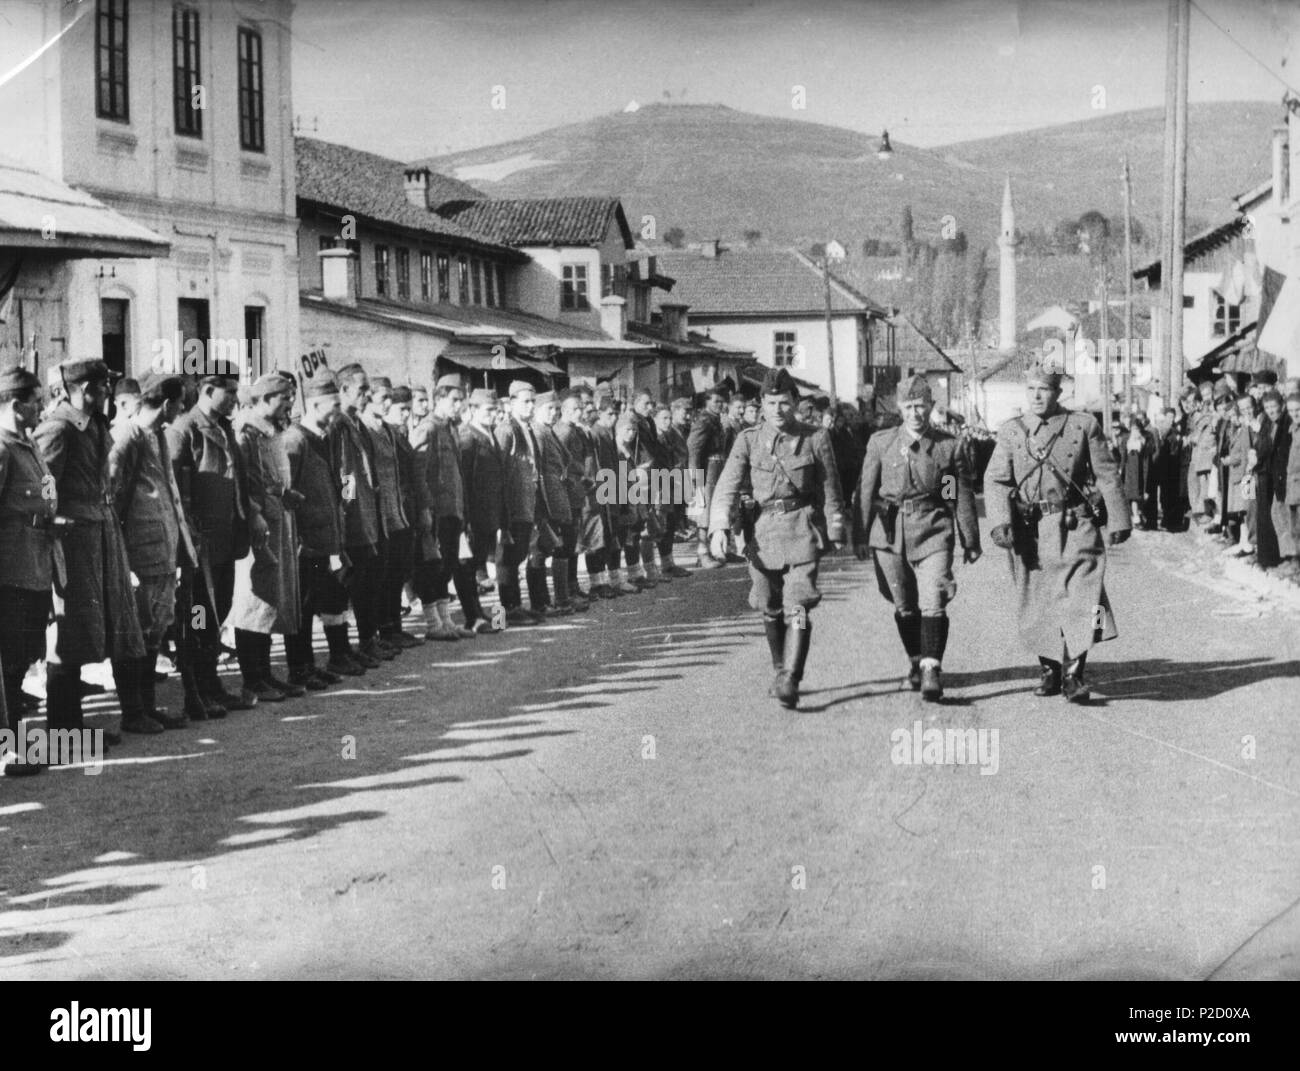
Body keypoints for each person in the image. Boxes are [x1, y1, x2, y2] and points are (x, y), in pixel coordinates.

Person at [983, 364, 1130, 703]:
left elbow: (1106, 474)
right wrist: (999, 521)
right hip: (1030, 531)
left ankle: (1074, 674)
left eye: (1044, 389)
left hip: (1075, 525)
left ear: (1058, 392)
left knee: (1083, 596)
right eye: (1031, 389)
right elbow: (995, 480)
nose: (1036, 396)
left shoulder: (1083, 426)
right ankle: (1050, 667)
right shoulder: (1011, 432)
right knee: (1037, 602)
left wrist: (1119, 520)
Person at [708, 367, 846, 709]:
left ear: (795, 402)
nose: (777, 410)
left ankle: (790, 677)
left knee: (798, 603)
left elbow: (831, 488)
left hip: (801, 527)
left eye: (784, 403)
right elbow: (727, 484)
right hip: (761, 532)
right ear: (763, 404)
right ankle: (779, 667)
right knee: (768, 604)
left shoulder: (815, 438)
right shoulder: (748, 439)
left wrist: (837, 526)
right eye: (770, 403)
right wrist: (719, 527)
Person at [35, 358, 147, 743]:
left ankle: (75, 726)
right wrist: (54, 516)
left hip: (100, 534)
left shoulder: (94, 425)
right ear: (83, 390)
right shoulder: (60, 428)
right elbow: (44, 481)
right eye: (101, 388)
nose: (106, 394)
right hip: (73, 539)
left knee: (95, 628)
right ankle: (62, 733)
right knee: (70, 631)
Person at [853, 374, 980, 700]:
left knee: (933, 599)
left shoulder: (946, 447)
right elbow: (866, 491)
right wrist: (860, 534)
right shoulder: (881, 443)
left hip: (933, 529)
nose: (915, 414)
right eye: (909, 407)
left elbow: (954, 493)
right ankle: (915, 660)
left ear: (931, 407)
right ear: (899, 408)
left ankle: (931, 668)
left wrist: (968, 536)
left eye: (921, 407)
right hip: (889, 533)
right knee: (904, 604)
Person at [108, 371, 193, 729]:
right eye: (179, 402)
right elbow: (113, 498)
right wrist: (121, 557)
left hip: (162, 549)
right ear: (168, 403)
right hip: (139, 552)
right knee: (136, 631)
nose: (182, 408)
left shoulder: (156, 435)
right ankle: (133, 712)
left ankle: (146, 706)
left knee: (156, 628)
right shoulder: (128, 436)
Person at [167, 365, 253, 716]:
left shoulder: (224, 427)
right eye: (228, 391)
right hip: (199, 545)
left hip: (225, 538)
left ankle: (211, 681)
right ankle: (201, 687)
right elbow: (176, 490)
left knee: (217, 612)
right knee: (200, 614)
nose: (235, 397)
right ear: (207, 390)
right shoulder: (185, 429)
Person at [228, 374, 304, 702]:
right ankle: (252, 679)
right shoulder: (247, 432)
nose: (289, 403)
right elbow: (242, 482)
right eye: (284, 397)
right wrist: (257, 510)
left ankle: (266, 674)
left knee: (274, 597)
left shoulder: (272, 430)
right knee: (255, 600)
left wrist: (286, 493)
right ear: (266, 398)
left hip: (279, 517)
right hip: (259, 524)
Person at [283, 373, 359, 685]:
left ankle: (329, 659)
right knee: (302, 607)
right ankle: (299, 669)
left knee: (331, 595)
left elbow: (339, 484)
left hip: (327, 537)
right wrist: (299, 538)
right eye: (334, 405)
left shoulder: (326, 438)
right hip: (305, 541)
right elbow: (287, 492)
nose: (339, 411)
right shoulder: (295, 440)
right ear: (314, 404)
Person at [0, 368, 57, 775]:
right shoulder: (3, 448)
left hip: (35, 562)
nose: (42, 406)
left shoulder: (28, 444)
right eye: (36, 401)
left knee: (21, 658)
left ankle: (16, 741)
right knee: (9, 660)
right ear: (16, 404)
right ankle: (8, 748)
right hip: (11, 569)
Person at [329, 364, 388, 665]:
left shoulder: (357, 422)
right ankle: (357, 644)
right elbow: (345, 474)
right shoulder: (339, 423)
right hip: (352, 514)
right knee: (357, 580)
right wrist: (349, 507)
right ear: (343, 391)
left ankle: (369, 639)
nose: (366, 396)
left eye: (367, 391)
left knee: (371, 577)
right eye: (361, 390)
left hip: (367, 511)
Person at [412, 375, 475, 639]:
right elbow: (419, 473)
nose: (459, 405)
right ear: (438, 399)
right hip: (436, 511)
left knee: (446, 566)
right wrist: (426, 509)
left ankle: (446, 621)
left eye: (462, 400)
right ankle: (432, 624)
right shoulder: (428, 428)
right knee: (432, 568)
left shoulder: (449, 427)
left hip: (453, 510)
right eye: (454, 400)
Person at [456, 388, 506, 632]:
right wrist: (465, 518)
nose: (493, 414)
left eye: (495, 410)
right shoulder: (468, 437)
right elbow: (463, 480)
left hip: (488, 513)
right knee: (467, 567)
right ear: (473, 410)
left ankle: (478, 612)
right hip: (474, 514)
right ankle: (472, 617)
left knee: (476, 565)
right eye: (488, 410)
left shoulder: (488, 434)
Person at [494, 381, 543, 625]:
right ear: (512, 403)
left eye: (533, 401)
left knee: (519, 554)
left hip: (526, 502)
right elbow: (499, 471)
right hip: (512, 505)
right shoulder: (507, 430)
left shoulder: (527, 428)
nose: (531, 406)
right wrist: (503, 510)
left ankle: (517, 605)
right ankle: (508, 610)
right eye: (526, 401)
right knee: (508, 557)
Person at [687, 387, 729, 569]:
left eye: (722, 401)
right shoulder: (704, 420)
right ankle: (702, 553)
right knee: (703, 512)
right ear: (707, 402)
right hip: (706, 471)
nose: (719, 404)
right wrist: (695, 478)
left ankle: (714, 550)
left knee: (715, 510)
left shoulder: (715, 419)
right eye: (716, 401)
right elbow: (693, 449)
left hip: (717, 468)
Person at [1150, 407, 1184, 531]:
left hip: (1173, 468)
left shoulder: (1175, 433)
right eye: (1168, 417)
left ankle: (1171, 521)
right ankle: (1166, 518)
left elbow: (1175, 452)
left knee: (1171, 495)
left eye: (1172, 417)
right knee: (1164, 495)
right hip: (1163, 469)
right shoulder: (1161, 432)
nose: (1170, 420)